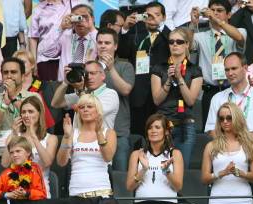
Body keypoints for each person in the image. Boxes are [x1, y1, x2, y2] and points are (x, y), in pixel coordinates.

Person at [204, 52, 253, 166]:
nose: (230, 73)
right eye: (227, 70)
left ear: (245, 68)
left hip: (252, 154)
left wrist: (239, 150)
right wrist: (228, 150)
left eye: (234, 68)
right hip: (224, 155)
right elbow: (212, 129)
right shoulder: (217, 98)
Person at [0, 57, 41, 184]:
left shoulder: (33, 97)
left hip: (28, 155)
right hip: (0, 155)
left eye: (13, 72)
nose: (9, 76)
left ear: (23, 75)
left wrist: (13, 97)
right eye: (5, 72)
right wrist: (3, 104)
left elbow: (37, 122)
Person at [151, 27, 202, 168]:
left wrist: (179, 78)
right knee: (161, 168)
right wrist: (168, 80)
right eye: (171, 41)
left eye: (179, 42)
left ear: (187, 44)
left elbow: (190, 100)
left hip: (185, 124)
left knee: (181, 170)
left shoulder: (194, 70)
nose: (174, 44)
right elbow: (156, 99)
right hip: (163, 124)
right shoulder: (159, 68)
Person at [119, 1, 172, 135]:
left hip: (161, 91)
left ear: (164, 17)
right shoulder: (136, 34)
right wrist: (125, 28)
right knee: (138, 132)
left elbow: (173, 44)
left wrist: (161, 26)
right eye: (149, 15)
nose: (152, 18)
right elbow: (123, 53)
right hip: (139, 91)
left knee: (161, 131)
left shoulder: (169, 35)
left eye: (157, 15)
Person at [190, 0, 246, 126]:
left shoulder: (240, 31)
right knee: (210, 130)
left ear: (229, 15)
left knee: (235, 128)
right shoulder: (200, 36)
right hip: (210, 91)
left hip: (233, 89)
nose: (215, 14)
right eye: (212, 10)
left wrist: (218, 21)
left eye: (219, 11)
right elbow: (187, 46)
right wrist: (193, 24)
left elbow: (238, 38)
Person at [57, 94, 116, 198]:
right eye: (81, 107)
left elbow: (108, 157)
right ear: (78, 112)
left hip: (102, 192)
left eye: (89, 106)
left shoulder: (108, 133)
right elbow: (61, 162)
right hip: (76, 192)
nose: (85, 109)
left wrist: (98, 133)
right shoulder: (72, 133)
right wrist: (66, 136)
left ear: (98, 110)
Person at [0, 96, 57, 198]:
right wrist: (13, 134)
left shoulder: (50, 138)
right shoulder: (14, 135)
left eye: (31, 112)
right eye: (23, 112)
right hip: (16, 193)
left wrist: (34, 137)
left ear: (39, 114)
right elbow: (4, 163)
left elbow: (47, 162)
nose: (26, 115)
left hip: (40, 193)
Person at [96, 27, 135, 171]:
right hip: (91, 133)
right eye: (100, 42)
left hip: (118, 132)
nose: (103, 46)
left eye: (107, 43)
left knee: (119, 179)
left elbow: (126, 90)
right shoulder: (90, 67)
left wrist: (111, 68)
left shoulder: (125, 66)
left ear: (116, 46)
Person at [51, 60, 120, 135]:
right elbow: (55, 103)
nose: (89, 77)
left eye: (93, 73)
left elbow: (91, 112)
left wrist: (80, 90)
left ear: (103, 75)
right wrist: (65, 82)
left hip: (100, 143)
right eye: (86, 74)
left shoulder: (110, 94)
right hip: (78, 143)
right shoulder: (81, 94)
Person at [42, 3, 98, 82]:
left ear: (92, 19)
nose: (80, 20)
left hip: (88, 84)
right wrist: (61, 28)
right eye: (77, 17)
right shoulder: (65, 37)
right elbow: (46, 52)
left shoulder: (98, 38)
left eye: (84, 16)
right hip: (65, 85)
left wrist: (91, 27)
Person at [30, 0, 83, 81]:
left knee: (69, 90)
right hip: (45, 59)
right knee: (48, 90)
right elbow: (33, 38)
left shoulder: (73, 4)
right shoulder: (38, 9)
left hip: (68, 57)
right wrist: (34, 63)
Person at [0, 135, 47, 201]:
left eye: (18, 151)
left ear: (28, 152)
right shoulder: (7, 173)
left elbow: (42, 194)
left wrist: (26, 193)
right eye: (11, 152)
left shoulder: (34, 169)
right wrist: (7, 194)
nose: (15, 155)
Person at [11, 50, 56, 130]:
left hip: (40, 131)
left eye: (23, 62)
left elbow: (51, 116)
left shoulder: (44, 86)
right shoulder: (11, 88)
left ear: (32, 65)